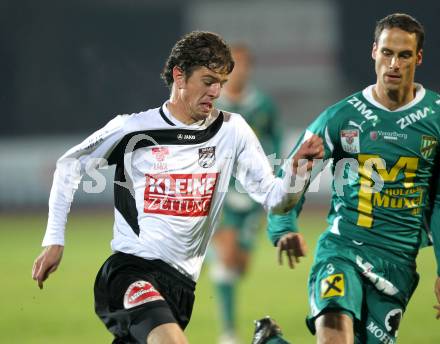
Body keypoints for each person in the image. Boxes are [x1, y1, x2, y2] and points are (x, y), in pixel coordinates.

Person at [31, 31, 323, 344]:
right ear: (179, 75)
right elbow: (69, 165)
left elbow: (274, 199)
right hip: (130, 272)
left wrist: (297, 173)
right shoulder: (134, 129)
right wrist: (54, 239)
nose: (216, 91)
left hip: (181, 287)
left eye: (221, 83)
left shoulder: (232, 130)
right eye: (208, 80)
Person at [266, 13, 440, 344]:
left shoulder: (435, 118)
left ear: (418, 58)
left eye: (404, 55)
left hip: (397, 264)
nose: (394, 63)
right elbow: (293, 171)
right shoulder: (341, 117)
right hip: (342, 248)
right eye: (387, 52)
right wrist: (283, 226)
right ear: (374, 51)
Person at [209, 43, 307, 344]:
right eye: (231, 66)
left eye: (242, 65)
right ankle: (228, 333)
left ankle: (211, 260)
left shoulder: (262, 105)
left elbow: (277, 140)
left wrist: (277, 172)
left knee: (240, 265)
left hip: (252, 197)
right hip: (219, 193)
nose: (237, 71)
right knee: (227, 256)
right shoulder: (211, 103)